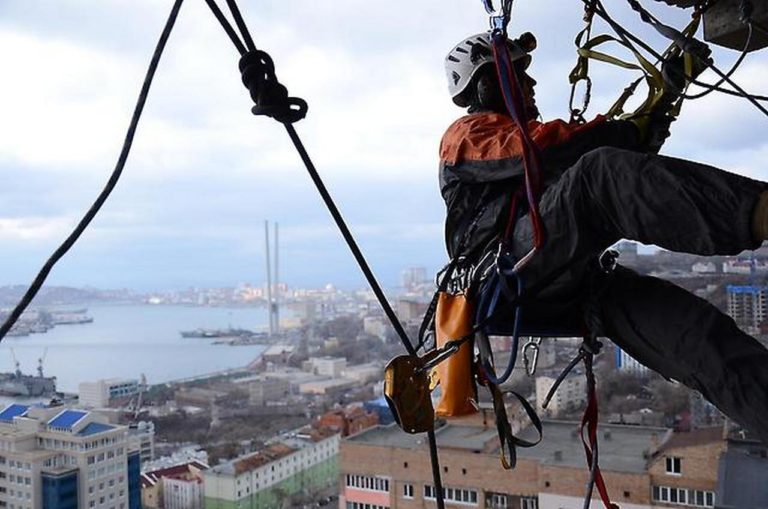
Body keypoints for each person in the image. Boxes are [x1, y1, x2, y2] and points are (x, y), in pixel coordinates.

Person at [439, 31, 768, 444]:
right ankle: (758, 212)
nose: (533, 85)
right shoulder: (467, 135)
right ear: (488, 85)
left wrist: (664, 97)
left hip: (567, 280)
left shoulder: (527, 151)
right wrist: (635, 120)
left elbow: (631, 171)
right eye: (521, 76)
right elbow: (554, 151)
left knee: (699, 337)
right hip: (506, 276)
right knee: (597, 173)